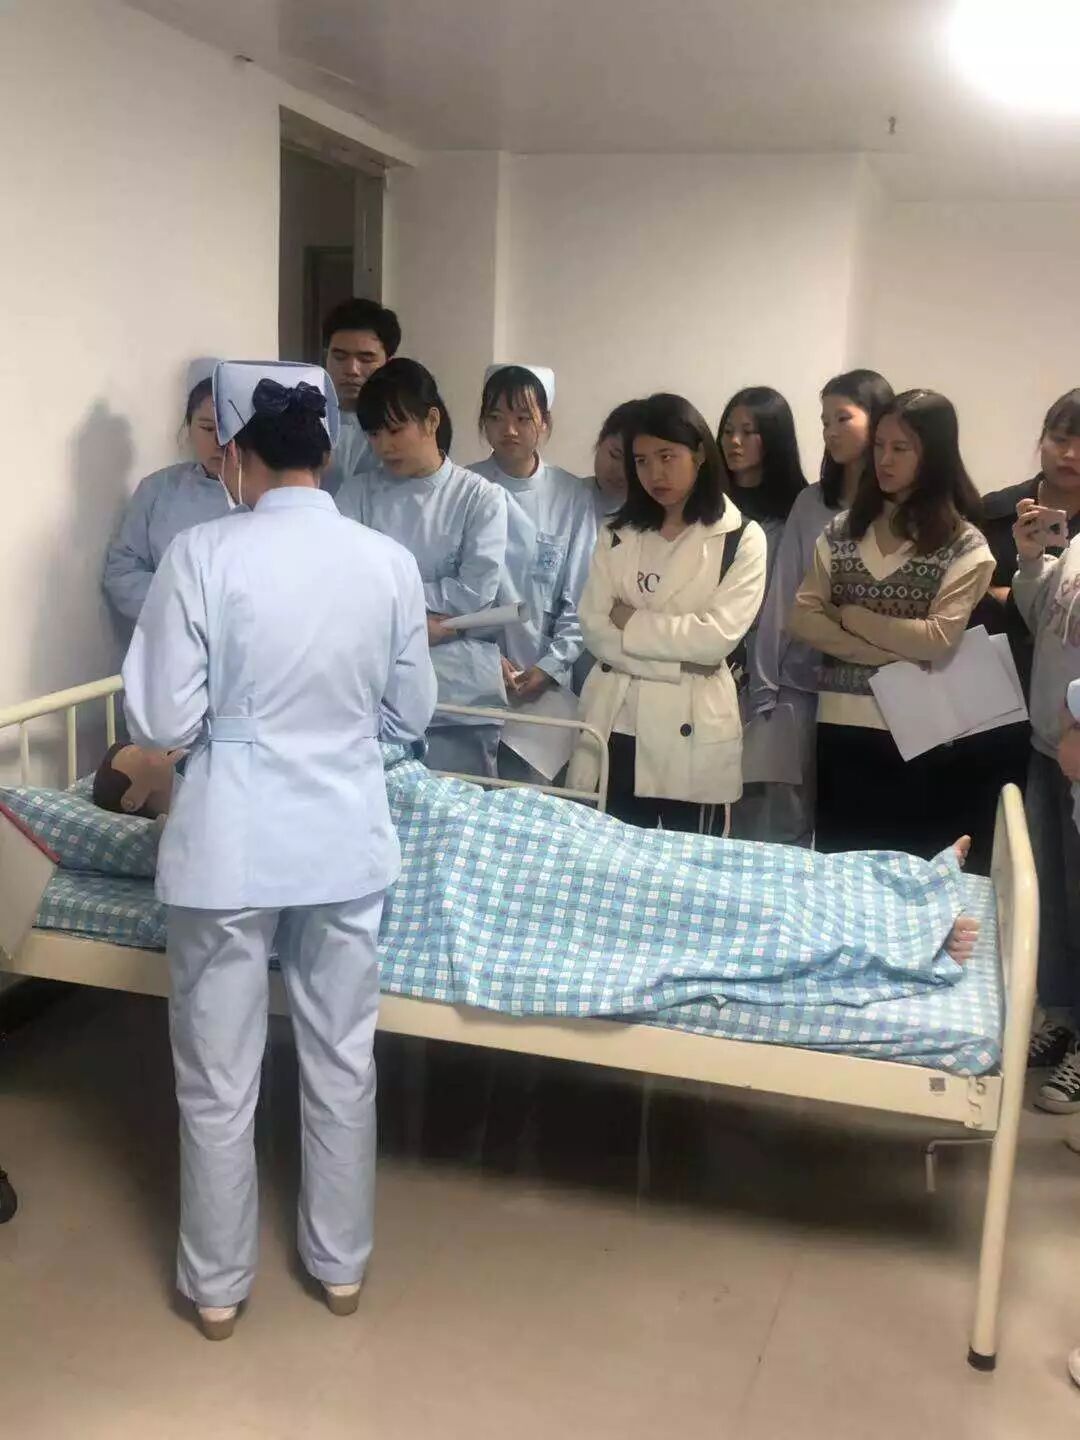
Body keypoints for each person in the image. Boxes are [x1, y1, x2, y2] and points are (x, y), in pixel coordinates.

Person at [121, 359, 436, 1341]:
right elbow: (411, 713)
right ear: (326, 456)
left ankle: (218, 1289)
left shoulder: (202, 553)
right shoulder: (386, 562)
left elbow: (163, 719)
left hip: (231, 836)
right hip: (344, 834)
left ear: (238, 459)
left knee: (219, 1074)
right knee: (342, 1057)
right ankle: (341, 1269)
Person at [789, 389, 994, 859]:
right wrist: (891, 651)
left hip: (922, 729)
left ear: (934, 455)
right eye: (879, 445)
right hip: (840, 723)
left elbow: (937, 639)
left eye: (901, 448)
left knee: (911, 865)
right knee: (840, 866)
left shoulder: (964, 544)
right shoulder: (842, 531)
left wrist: (851, 616)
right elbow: (802, 617)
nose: (884, 459)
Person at [567, 392, 767, 831]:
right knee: (607, 860)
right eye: (641, 461)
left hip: (691, 729)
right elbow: (594, 627)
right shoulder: (617, 532)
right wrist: (679, 658)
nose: (654, 474)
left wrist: (631, 622)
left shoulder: (740, 538)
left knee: (688, 864)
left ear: (699, 453)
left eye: (666, 457)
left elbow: (714, 640)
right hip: (617, 723)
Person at [337, 358, 509, 777]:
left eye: (395, 430)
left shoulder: (479, 498)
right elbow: (340, 584)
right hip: (372, 684)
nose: (383, 446)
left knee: (458, 805)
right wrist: (418, 623)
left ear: (431, 420)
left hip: (458, 689)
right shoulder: (355, 495)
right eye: (374, 434)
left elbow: (474, 593)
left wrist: (392, 607)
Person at [469, 366, 597, 777]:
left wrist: (551, 665)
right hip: (473, 673)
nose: (509, 430)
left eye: (523, 417)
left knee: (533, 796)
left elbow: (583, 595)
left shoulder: (571, 495)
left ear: (545, 421)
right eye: (496, 417)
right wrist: (484, 660)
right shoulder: (465, 486)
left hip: (544, 688)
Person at [1012, 485, 1080, 1109]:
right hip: (1047, 746)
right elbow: (1044, 624)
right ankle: (1061, 1016)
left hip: (1076, 751)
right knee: (1054, 900)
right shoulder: (1076, 545)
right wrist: (1033, 563)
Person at [716, 386, 808, 842]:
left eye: (748, 432)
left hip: (776, 670)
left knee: (770, 802)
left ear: (773, 438)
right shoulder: (709, 505)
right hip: (715, 661)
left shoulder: (798, 510)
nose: (734, 442)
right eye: (728, 430)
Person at [102, 371, 238, 623]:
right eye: (208, 428)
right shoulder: (157, 489)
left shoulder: (262, 496)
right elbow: (122, 572)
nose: (219, 442)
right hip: (169, 633)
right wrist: (182, 605)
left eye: (230, 430)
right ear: (188, 428)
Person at [321, 297, 401, 497]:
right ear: (325, 356)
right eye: (339, 357)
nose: (352, 370)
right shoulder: (302, 417)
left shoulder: (404, 424)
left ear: (388, 362)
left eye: (366, 359)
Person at [585, 401, 642, 522]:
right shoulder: (563, 494)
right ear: (600, 440)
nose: (621, 472)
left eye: (635, 464)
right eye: (615, 455)